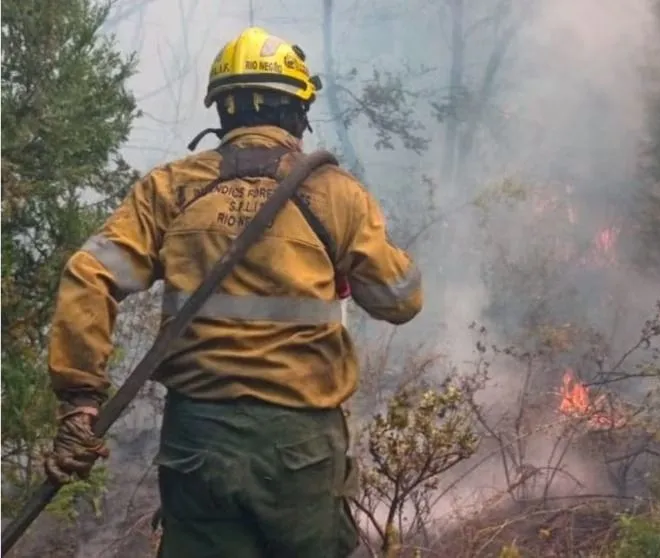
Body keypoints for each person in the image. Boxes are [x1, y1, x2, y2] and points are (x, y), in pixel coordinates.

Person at [43, 26, 422, 557]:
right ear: (296, 112)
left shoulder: (170, 189)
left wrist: (80, 403)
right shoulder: (336, 194)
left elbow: (91, 274)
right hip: (301, 446)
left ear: (223, 111)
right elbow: (399, 301)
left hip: (198, 439)